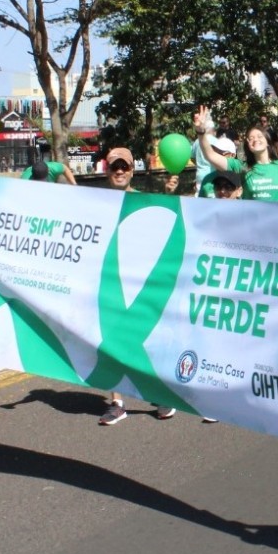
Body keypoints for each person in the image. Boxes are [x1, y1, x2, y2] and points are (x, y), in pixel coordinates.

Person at [97, 148, 177, 425]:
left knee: (146, 343)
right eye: (114, 167)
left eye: (124, 167)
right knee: (112, 343)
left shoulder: (143, 201)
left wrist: (167, 195)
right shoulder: (97, 203)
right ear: (107, 170)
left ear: (132, 170)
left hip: (141, 283)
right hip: (110, 284)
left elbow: (163, 224)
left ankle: (160, 394)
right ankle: (117, 403)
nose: (119, 171)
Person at [194, 106, 278, 201]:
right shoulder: (242, 168)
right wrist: (201, 132)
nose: (255, 140)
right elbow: (210, 155)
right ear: (248, 145)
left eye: (259, 137)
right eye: (251, 138)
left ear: (268, 142)